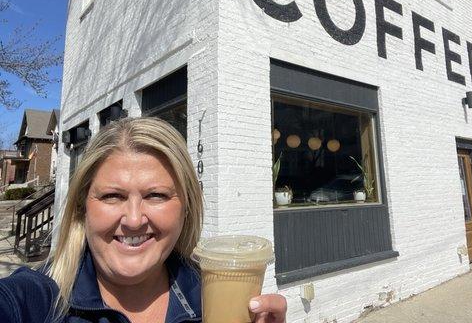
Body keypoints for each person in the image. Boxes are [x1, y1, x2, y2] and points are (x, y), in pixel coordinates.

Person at [0, 117, 287, 323]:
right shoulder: (36, 299)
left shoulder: (213, 297)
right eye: (112, 196)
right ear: (81, 207)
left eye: (157, 195)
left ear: (186, 208)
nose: (134, 220)